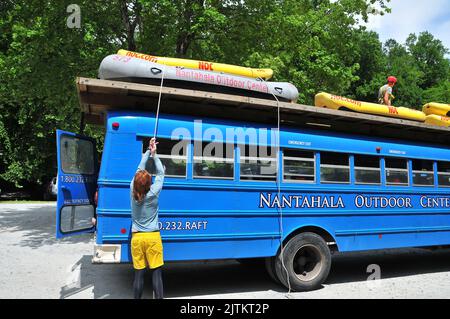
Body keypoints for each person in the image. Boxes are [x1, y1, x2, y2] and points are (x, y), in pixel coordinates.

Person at [130, 137, 165, 299]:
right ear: (149, 183)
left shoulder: (132, 190)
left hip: (137, 238)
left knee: (138, 275)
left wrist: (146, 152)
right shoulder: (154, 192)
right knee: (156, 275)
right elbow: (161, 172)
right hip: (153, 237)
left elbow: (139, 169)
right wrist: (154, 154)